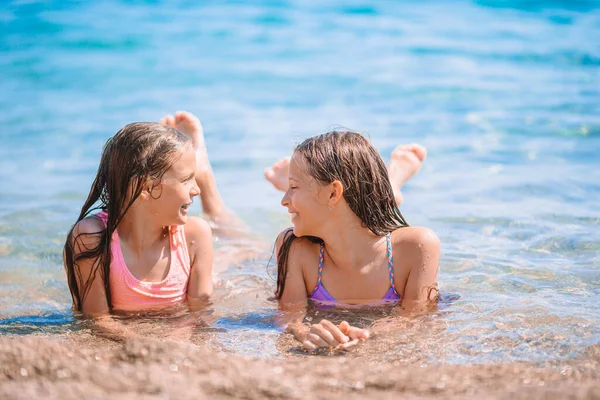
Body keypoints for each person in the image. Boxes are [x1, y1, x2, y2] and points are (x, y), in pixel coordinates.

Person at [63, 111, 233, 340]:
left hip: (194, 255)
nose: (195, 190)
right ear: (145, 187)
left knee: (240, 250)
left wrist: (182, 339)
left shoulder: (195, 235)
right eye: (186, 180)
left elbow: (201, 314)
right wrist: (149, 345)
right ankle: (198, 167)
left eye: (193, 180)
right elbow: (96, 318)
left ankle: (203, 170)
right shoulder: (91, 237)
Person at [264, 131, 439, 351]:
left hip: (348, 209)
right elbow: (288, 316)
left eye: (294, 187)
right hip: (341, 207)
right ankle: (389, 191)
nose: (283, 201)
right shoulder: (295, 247)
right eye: (288, 187)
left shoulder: (416, 246)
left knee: (365, 214)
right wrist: (307, 332)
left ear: (332, 194)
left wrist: (367, 334)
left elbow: (416, 316)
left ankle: (391, 187)